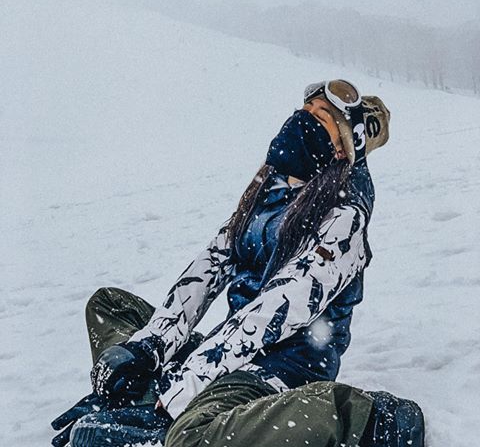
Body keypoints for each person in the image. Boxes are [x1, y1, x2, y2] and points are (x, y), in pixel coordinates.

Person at [51, 80, 423, 446]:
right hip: (226, 354)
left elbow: (274, 311)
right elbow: (205, 273)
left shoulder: (345, 217)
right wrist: (146, 350)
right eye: (306, 108)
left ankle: (356, 415)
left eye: (321, 116)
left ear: (341, 147)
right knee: (110, 305)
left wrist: (179, 395)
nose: (302, 119)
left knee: (188, 439)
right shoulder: (272, 190)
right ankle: (156, 400)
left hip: (279, 373)